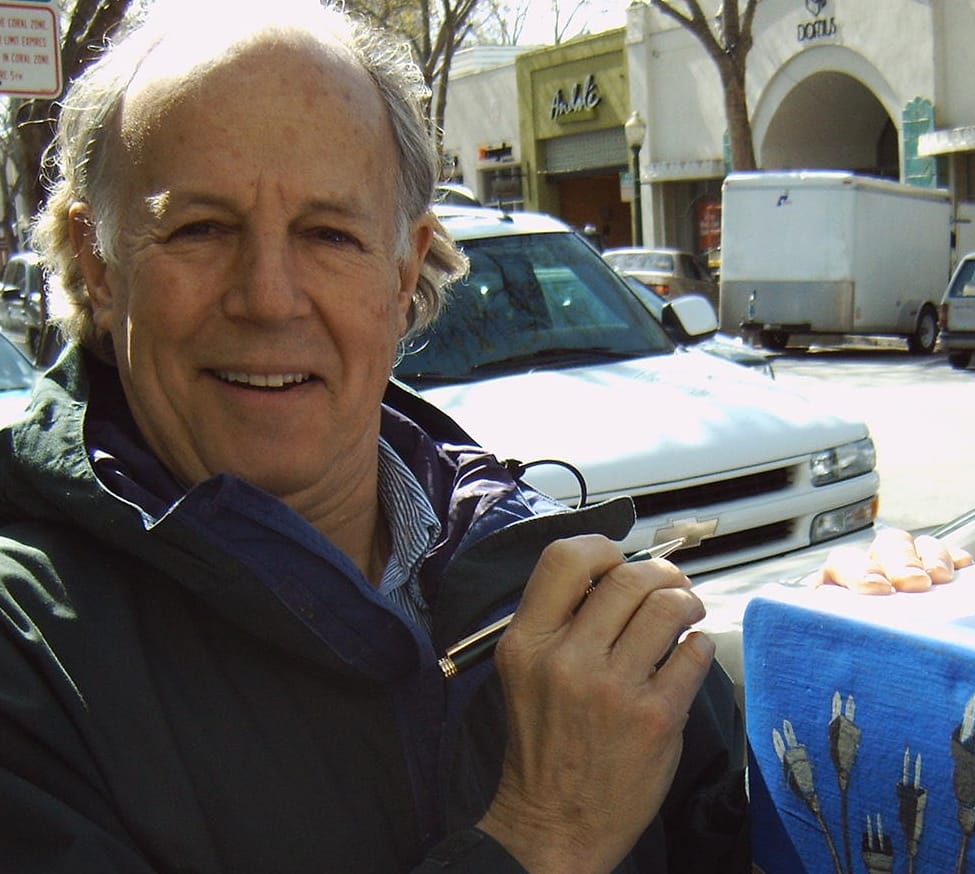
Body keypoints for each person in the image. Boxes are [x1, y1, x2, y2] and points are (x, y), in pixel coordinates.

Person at [0, 2, 751, 871]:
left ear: (404, 274)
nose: (269, 296)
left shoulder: (532, 569)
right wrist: (543, 839)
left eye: (329, 235)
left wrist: (870, 649)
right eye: (199, 228)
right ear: (97, 266)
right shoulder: (30, 656)